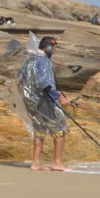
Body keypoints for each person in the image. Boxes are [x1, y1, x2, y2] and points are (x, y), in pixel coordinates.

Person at [17, 36, 74, 171]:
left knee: (40, 128)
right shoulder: (44, 62)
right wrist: (60, 98)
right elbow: (43, 83)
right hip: (44, 100)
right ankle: (57, 162)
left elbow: (18, 80)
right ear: (47, 48)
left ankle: (36, 163)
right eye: (54, 46)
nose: (55, 49)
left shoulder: (29, 60)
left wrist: (30, 97)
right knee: (60, 127)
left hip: (31, 102)